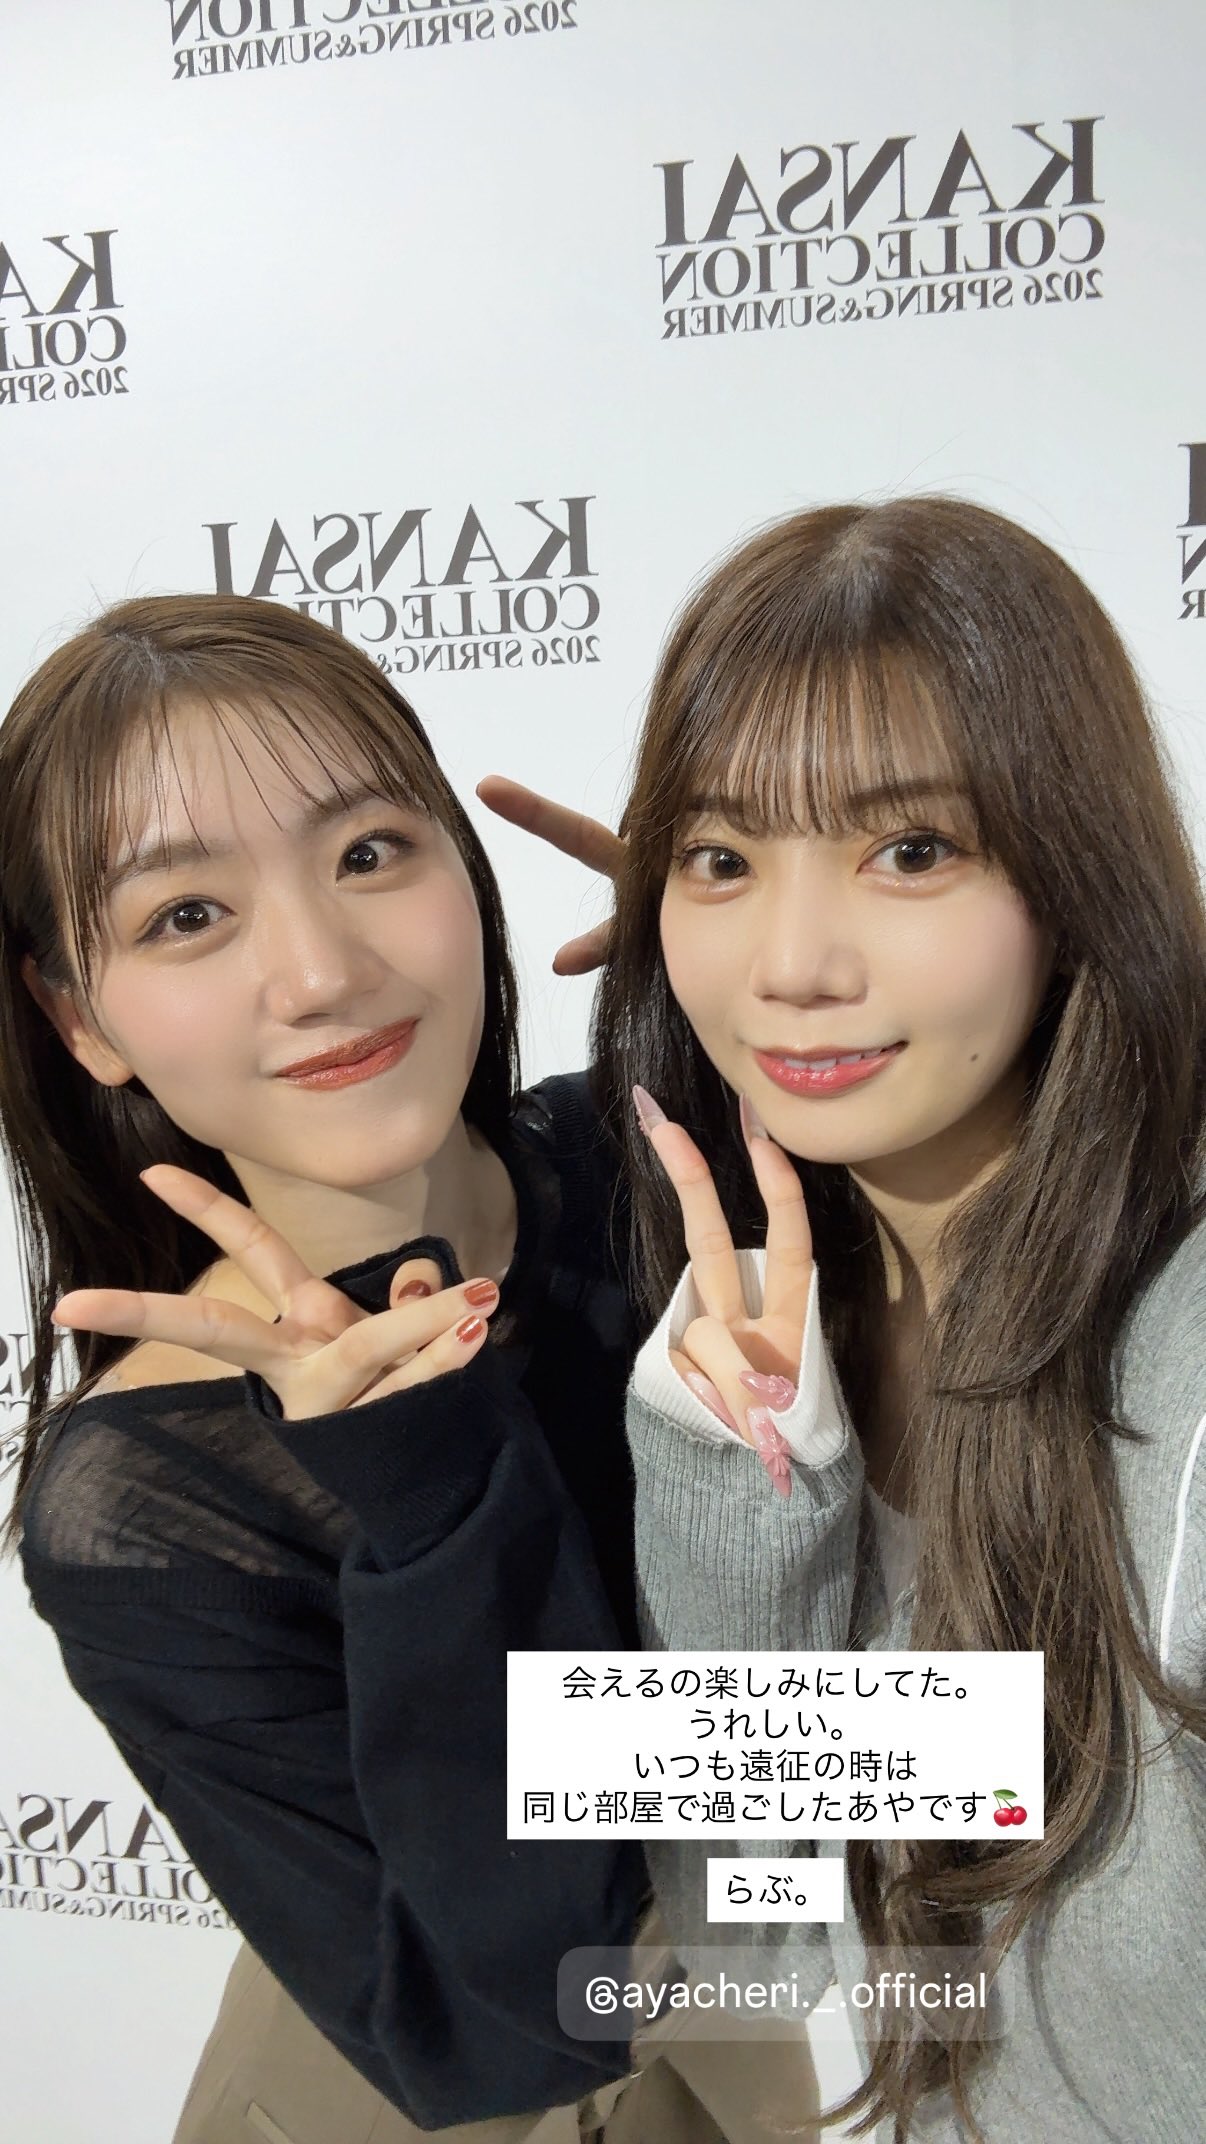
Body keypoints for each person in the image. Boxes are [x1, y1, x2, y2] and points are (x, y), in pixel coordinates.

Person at [0, 594, 814, 2144]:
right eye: (187, 915)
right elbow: (500, 2031)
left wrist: (760, 965)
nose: (318, 972)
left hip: (736, 2039)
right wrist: (430, 1496)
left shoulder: (646, 1167)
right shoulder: (141, 1496)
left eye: (370, 851)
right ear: (75, 1015)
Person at [489, 497, 1206, 2142]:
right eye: (721, 860)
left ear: (1075, 873)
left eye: (910, 852)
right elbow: (757, 1943)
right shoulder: (754, 1324)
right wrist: (747, 1493)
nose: (792, 965)